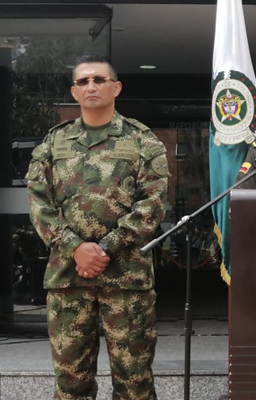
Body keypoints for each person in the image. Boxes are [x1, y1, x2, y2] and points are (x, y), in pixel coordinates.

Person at [26, 55, 169, 400]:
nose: (91, 86)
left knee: (134, 383)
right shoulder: (53, 142)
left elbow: (152, 204)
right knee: (70, 384)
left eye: (99, 80)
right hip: (68, 278)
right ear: (74, 92)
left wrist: (105, 248)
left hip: (126, 279)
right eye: (83, 81)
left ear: (116, 88)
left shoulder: (142, 140)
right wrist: (75, 247)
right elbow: (39, 203)